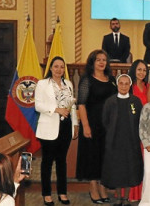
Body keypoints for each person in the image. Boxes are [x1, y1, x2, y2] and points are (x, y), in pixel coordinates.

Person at [35, 56, 79, 206]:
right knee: (47, 162)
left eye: (61, 67)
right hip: (48, 127)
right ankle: (46, 194)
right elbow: (38, 105)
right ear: (51, 68)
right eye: (56, 66)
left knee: (62, 161)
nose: (59, 69)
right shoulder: (42, 84)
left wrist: (75, 124)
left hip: (65, 126)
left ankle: (62, 192)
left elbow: (72, 106)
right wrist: (56, 110)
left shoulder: (69, 83)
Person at [76, 50, 117, 204]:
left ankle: (102, 187)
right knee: (92, 156)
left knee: (104, 157)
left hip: (108, 125)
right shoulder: (87, 80)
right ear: (92, 62)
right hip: (92, 124)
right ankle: (93, 187)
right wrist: (86, 126)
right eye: (98, 59)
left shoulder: (111, 79)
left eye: (104, 60)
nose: (101, 62)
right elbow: (81, 104)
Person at [101, 74, 143, 206]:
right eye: (121, 83)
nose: (124, 86)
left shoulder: (136, 101)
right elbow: (105, 120)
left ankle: (126, 199)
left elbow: (141, 121)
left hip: (131, 141)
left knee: (130, 169)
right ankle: (119, 198)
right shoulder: (110, 101)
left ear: (130, 85)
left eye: (126, 84)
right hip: (115, 141)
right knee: (117, 170)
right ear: (117, 85)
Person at [126, 59, 149, 201]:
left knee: (143, 162)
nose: (142, 72)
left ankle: (142, 193)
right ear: (134, 70)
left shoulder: (148, 87)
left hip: (145, 131)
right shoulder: (129, 86)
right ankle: (131, 194)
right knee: (132, 162)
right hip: (131, 129)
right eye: (139, 69)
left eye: (144, 70)